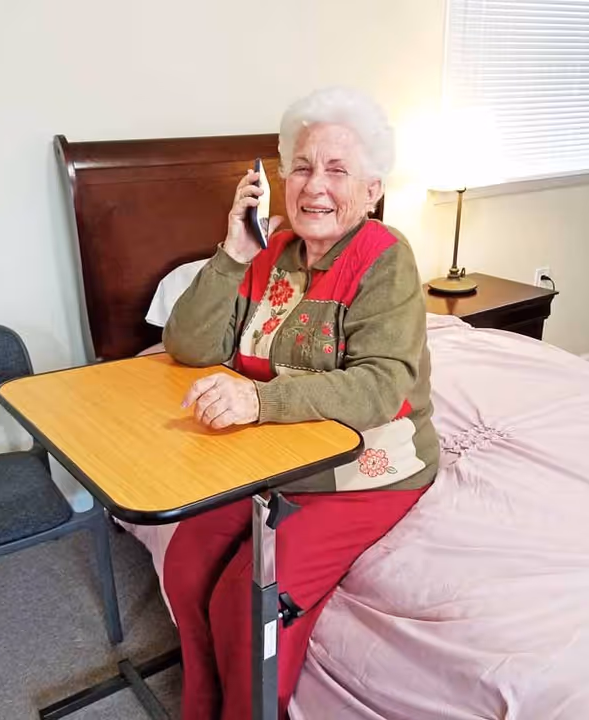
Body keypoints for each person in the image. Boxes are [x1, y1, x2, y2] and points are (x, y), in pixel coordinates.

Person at [161, 86, 438, 720]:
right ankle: (201, 706)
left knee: (247, 598)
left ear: (371, 190)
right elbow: (187, 344)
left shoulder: (384, 258)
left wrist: (258, 399)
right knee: (187, 562)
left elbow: (378, 388)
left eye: (338, 170)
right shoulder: (271, 250)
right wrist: (233, 252)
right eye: (304, 167)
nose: (316, 186)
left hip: (367, 464)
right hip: (269, 455)